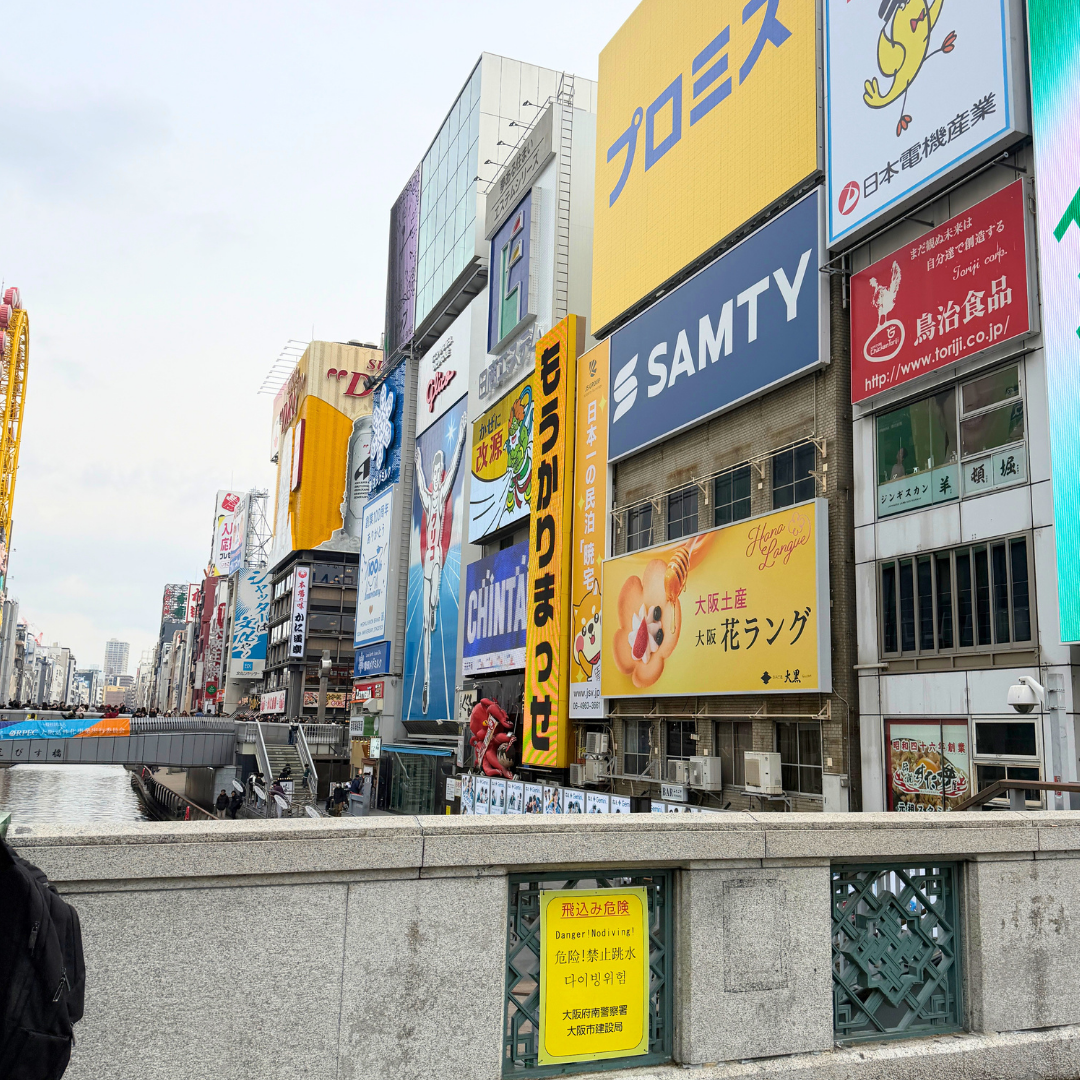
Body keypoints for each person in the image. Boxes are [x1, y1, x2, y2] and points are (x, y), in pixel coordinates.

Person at [414, 409, 468, 713]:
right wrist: (419, 463)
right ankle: (425, 683)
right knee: (424, 622)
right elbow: (420, 481)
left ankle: (434, 608)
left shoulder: (444, 491)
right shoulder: (427, 494)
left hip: (437, 558)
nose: (437, 476)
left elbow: (458, 457)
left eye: (439, 472)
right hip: (427, 562)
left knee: (433, 605)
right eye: (435, 473)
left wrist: (461, 433)